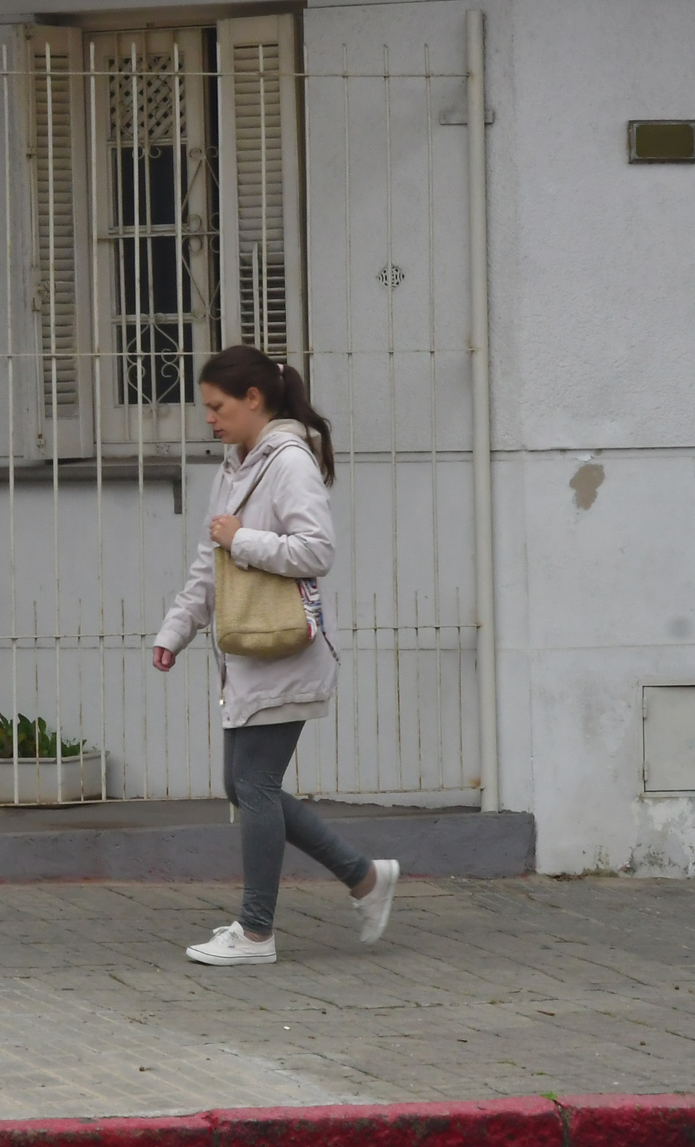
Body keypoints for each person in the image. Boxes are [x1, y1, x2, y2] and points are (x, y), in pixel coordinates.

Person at [152, 344, 398, 966]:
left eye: (217, 406)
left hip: (285, 647)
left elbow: (315, 551)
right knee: (244, 785)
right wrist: (175, 630)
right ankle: (364, 876)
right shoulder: (235, 467)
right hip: (248, 651)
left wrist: (245, 538)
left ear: (253, 399)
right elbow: (210, 563)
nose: (209, 418)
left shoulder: (289, 460)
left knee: (255, 785)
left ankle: (257, 932)